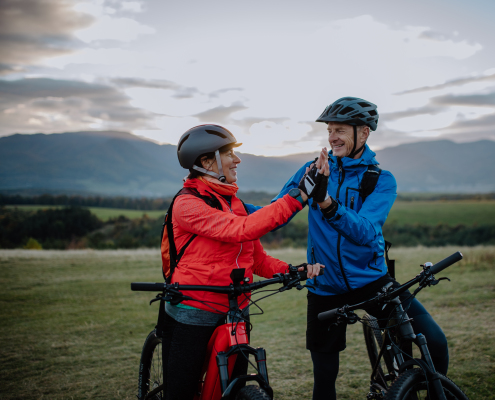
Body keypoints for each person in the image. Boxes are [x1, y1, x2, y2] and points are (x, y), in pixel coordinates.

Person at [270, 97, 449, 399]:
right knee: (324, 377)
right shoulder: (312, 169)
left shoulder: (380, 180)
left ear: (363, 133)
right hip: (324, 285)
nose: (332, 137)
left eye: (340, 130)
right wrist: (228, 209)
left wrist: (327, 203)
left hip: (372, 281)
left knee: (433, 340)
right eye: (329, 130)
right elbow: (276, 212)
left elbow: (365, 232)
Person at [162, 124, 323, 400]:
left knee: (234, 386)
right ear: (206, 161)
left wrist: (289, 270)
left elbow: (255, 258)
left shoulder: (233, 203)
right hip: (195, 307)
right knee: (181, 392)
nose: (237, 160)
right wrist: (299, 196)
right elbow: (241, 229)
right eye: (228, 154)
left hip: (236, 307)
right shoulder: (187, 205)